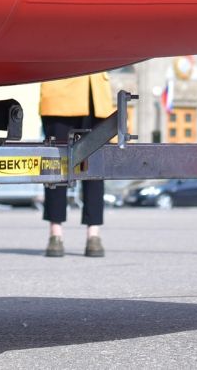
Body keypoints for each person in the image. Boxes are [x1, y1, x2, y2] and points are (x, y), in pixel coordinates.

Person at [38, 72, 115, 257]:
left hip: (96, 95)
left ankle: (93, 234)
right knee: (56, 166)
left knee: (95, 168)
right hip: (60, 90)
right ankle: (55, 233)